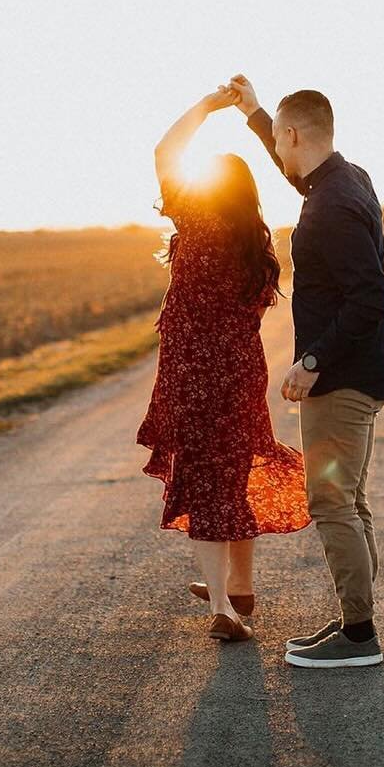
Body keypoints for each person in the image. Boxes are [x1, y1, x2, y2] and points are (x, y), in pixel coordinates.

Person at [226, 74, 384, 669]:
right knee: (350, 499)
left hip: (343, 379)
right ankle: (358, 621)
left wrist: (310, 361)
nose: (277, 150)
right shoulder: (347, 180)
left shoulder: (333, 206)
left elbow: (370, 297)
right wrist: (254, 115)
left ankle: (358, 636)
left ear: (293, 133)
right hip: (361, 373)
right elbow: (296, 173)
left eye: (277, 137)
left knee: (331, 503)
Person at [135, 86, 313, 643]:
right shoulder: (257, 249)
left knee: (204, 480)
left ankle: (222, 607)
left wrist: (208, 109)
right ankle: (239, 587)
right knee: (233, 472)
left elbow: (165, 152)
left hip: (190, 375)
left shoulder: (195, 223)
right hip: (239, 375)